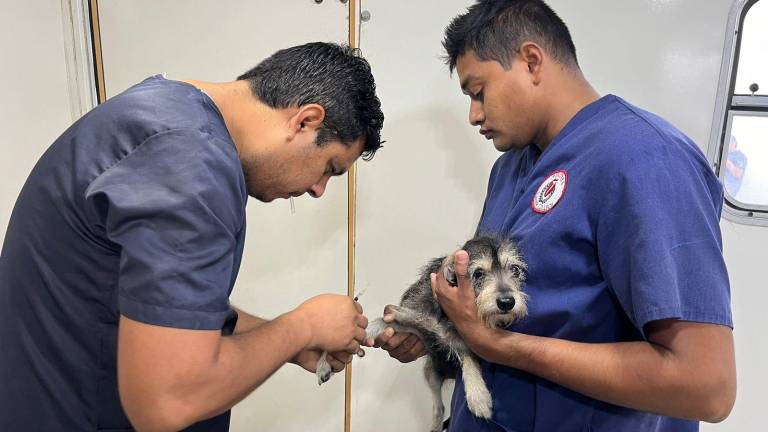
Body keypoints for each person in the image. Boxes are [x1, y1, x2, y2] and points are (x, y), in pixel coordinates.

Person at [375, 1, 735, 431]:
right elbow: (498, 308)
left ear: (531, 60)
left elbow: (706, 387)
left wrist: (500, 346)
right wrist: (437, 333)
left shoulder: (646, 160)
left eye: (478, 91)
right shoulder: (511, 168)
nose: (474, 115)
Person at [0, 42, 383, 431]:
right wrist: (301, 326)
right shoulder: (192, 168)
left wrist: (286, 339)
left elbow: (161, 309)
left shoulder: (165, 111)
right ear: (305, 121)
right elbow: (168, 401)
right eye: (329, 168)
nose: (319, 189)